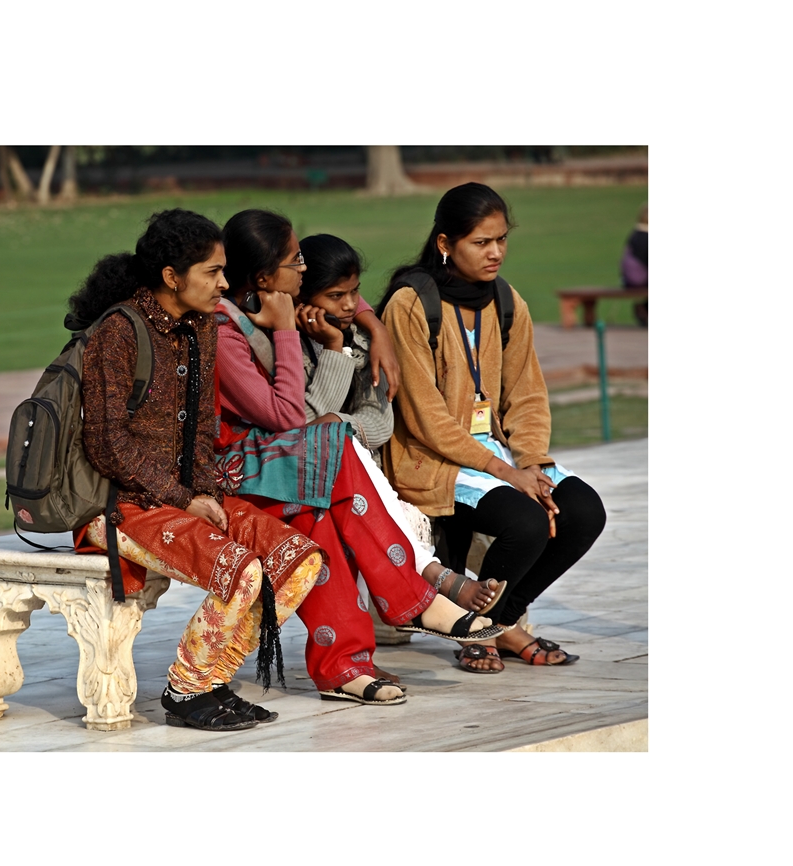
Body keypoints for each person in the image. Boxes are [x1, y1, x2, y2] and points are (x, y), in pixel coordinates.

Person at [214, 209, 501, 707]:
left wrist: (371, 324)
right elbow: (289, 418)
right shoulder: (226, 330)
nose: (303, 268)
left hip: (274, 463)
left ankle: (343, 667)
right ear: (263, 277)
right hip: (234, 471)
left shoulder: (260, 302)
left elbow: (343, 299)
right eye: (295, 261)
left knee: (318, 511)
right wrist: (288, 331)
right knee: (334, 446)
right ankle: (413, 598)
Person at [72, 208, 325, 732]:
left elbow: (204, 428)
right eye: (212, 272)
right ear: (172, 277)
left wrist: (206, 494)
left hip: (184, 496)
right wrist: (184, 499)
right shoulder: (118, 333)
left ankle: (212, 678)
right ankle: (187, 691)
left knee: (298, 561)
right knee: (243, 571)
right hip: (118, 504)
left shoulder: (201, 326)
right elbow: (107, 444)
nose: (225, 283)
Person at [378, 183, 607, 673]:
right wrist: (507, 474)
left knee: (584, 511)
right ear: (445, 243)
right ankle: (485, 627)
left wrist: (532, 462)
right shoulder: (410, 305)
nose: (496, 252)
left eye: (502, 239)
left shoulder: (506, 300)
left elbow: (527, 394)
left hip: (495, 453)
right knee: (526, 523)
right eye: (481, 242)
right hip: (433, 459)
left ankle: (493, 624)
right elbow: (424, 417)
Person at [297, 232, 505, 611]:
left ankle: (452, 603)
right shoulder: (289, 347)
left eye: (354, 293)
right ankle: (435, 581)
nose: (349, 305)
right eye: (335, 296)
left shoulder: (363, 339)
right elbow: (306, 428)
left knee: (345, 445)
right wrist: (332, 350)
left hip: (367, 471)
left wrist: (337, 422)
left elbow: (378, 425)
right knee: (343, 451)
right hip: (312, 475)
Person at [621, 203, 648, 326]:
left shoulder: (636, 234)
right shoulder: (644, 236)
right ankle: (644, 310)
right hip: (638, 280)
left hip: (630, 279)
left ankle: (643, 310)